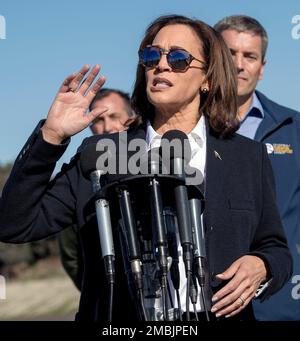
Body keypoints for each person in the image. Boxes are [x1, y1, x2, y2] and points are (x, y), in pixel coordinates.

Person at [0, 14, 292, 321]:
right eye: (152, 55)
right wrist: (51, 136)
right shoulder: (103, 153)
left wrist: (263, 265)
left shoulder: (246, 157)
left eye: (178, 57)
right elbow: (14, 224)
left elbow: (275, 247)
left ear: (207, 78)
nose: (161, 65)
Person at [215, 15, 300, 321]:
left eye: (249, 56)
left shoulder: (294, 128)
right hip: (208, 304)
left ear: (262, 68)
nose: (239, 65)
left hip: (280, 305)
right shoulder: (181, 128)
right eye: (229, 54)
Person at [58, 88, 138, 291]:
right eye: (98, 121)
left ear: (132, 117)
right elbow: (71, 256)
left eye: (114, 117)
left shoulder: (153, 162)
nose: (107, 127)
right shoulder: (79, 178)